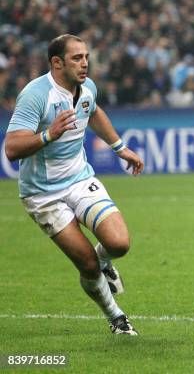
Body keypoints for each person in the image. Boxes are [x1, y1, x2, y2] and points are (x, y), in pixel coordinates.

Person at [4, 34, 144, 335]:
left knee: (119, 244)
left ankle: (106, 263)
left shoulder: (87, 88)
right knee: (88, 265)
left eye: (86, 57)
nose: (85, 64)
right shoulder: (36, 95)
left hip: (80, 179)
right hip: (43, 195)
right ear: (57, 63)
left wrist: (120, 148)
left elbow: (93, 112)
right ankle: (116, 317)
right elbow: (12, 148)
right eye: (76, 58)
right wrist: (48, 135)